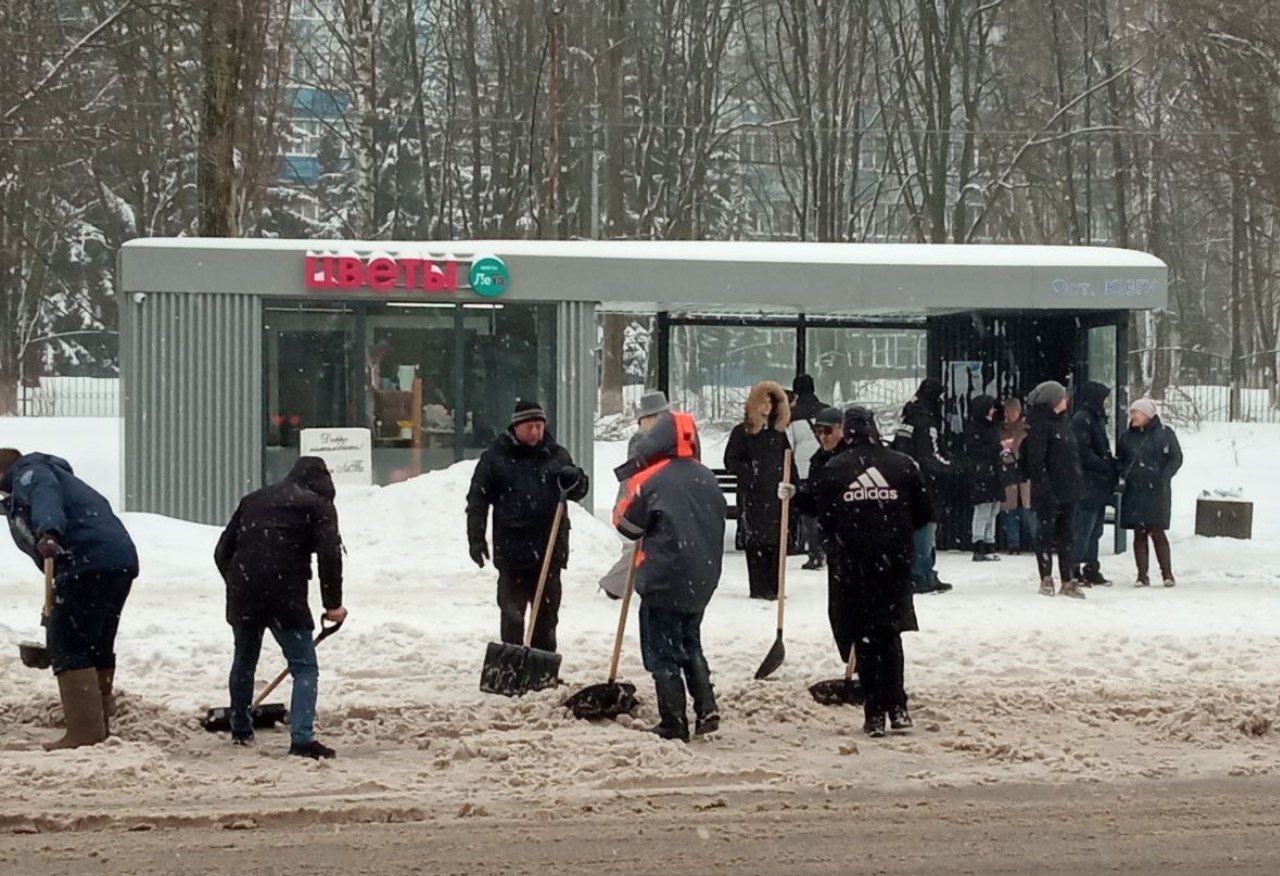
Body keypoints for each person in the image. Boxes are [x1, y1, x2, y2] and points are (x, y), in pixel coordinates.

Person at [785, 407, 931, 738]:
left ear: (847, 432)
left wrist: (798, 498)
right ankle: (898, 707)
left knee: (865, 639)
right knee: (890, 636)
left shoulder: (835, 469)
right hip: (893, 565)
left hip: (853, 567)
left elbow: (822, 514)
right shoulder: (903, 465)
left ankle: (874, 713)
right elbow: (924, 514)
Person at [0, 449, 138, 751]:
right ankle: (100, 720)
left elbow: (45, 497)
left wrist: (49, 532)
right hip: (116, 560)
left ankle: (85, 732)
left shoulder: (30, 473)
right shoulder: (56, 479)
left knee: (66, 643)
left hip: (86, 561)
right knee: (96, 642)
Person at [214, 456, 347, 759]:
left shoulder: (253, 500)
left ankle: (241, 729)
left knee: (244, 659)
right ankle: (301, 739)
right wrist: (333, 605)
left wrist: (240, 582)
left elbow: (222, 551)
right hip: (285, 594)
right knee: (304, 668)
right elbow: (330, 556)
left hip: (244, 590)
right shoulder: (318, 505)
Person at [613, 411, 726, 741]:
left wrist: (627, 498)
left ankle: (673, 720)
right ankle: (706, 706)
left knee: (662, 650)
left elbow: (628, 525)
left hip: (664, 578)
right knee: (690, 642)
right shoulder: (707, 477)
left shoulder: (655, 479)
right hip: (701, 579)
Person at [466, 399, 589, 652]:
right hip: (513, 553)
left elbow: (576, 492)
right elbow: (477, 500)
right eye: (530, 427)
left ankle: (541, 668)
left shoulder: (557, 456)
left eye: (539, 426)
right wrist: (476, 539)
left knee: (546, 618)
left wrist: (577, 481)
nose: (535, 433)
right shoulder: (497, 458)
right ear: (516, 428)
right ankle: (512, 668)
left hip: (549, 551)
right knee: (513, 617)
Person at [723, 381, 797, 600]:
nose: (766, 408)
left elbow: (788, 463)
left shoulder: (778, 433)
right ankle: (758, 587)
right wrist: (750, 473)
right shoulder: (743, 432)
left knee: (775, 541)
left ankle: (774, 587)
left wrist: (791, 485)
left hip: (775, 498)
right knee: (757, 541)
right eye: (763, 403)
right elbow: (730, 460)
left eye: (771, 404)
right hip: (754, 497)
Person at [599, 390, 670, 599]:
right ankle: (615, 585)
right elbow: (639, 473)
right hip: (637, 500)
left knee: (648, 545)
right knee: (641, 546)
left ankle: (620, 585)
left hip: (649, 498)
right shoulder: (642, 441)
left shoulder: (656, 439)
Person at [1024, 381, 1086, 599]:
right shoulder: (1040, 425)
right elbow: (1037, 462)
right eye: (1062, 397)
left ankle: (1068, 579)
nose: (1066, 400)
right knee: (1046, 535)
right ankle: (1046, 578)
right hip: (1049, 492)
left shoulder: (1064, 422)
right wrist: (1045, 488)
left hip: (1069, 490)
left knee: (1067, 537)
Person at [891, 378, 953, 594]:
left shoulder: (909, 415)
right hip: (926, 481)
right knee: (926, 527)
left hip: (910, 480)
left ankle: (922, 573)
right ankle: (922, 574)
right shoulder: (926, 419)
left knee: (919, 527)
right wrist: (951, 467)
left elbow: (901, 445)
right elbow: (930, 454)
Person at [1118, 398, 1183, 587]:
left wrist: (1164, 476)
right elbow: (1121, 459)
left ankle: (1167, 574)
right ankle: (1142, 575)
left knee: (1157, 531)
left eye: (1136, 412)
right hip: (1135, 490)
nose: (1132, 416)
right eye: (1131, 413)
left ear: (1147, 415)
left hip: (1157, 491)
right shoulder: (1127, 436)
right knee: (1139, 532)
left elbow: (1176, 458)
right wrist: (1124, 474)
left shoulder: (1164, 434)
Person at [1071, 381, 1119, 585]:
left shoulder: (1094, 418)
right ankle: (1074, 568)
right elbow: (1083, 452)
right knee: (1084, 528)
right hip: (1088, 483)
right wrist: (1104, 463)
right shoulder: (1083, 419)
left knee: (1095, 529)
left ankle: (1091, 566)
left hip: (1097, 483)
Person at [786, 374, 828, 570]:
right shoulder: (826, 411)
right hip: (826, 466)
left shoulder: (792, 415)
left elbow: (789, 445)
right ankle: (828, 547)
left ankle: (812, 550)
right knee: (826, 509)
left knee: (808, 512)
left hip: (803, 469)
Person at [965, 395, 1005, 562]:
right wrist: (998, 448)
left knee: (993, 508)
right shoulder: (975, 428)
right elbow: (977, 450)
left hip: (993, 471)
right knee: (983, 508)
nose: (993, 410)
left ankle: (989, 542)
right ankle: (979, 543)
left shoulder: (993, 426)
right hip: (983, 472)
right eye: (990, 407)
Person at [999, 398, 1036, 554]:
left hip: (1021, 468)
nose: (1010, 415)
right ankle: (1014, 543)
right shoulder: (1005, 429)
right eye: (1008, 411)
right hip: (1011, 468)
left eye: (1013, 411)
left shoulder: (1026, 428)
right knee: (1010, 507)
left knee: (1027, 507)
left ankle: (1034, 541)